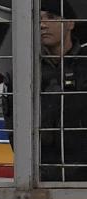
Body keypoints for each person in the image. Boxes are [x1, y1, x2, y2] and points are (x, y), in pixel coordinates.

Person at [38, 0, 87, 181]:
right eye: (38, 18)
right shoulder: (26, 70)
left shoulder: (84, 66)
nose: (42, 24)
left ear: (70, 23)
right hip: (41, 175)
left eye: (51, 17)